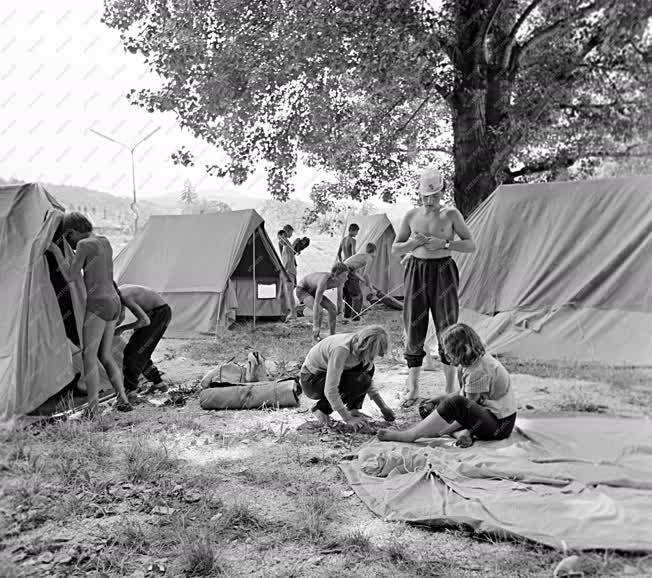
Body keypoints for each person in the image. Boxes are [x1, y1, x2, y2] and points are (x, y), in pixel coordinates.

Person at [392, 167, 476, 407]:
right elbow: (395, 249)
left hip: (443, 271)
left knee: (447, 326)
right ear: (419, 193)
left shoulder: (451, 215)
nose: (429, 200)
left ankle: (450, 388)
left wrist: (446, 243)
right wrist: (412, 243)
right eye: (425, 196)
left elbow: (470, 245)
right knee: (414, 324)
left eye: (435, 196)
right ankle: (413, 389)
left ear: (443, 193)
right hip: (416, 272)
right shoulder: (411, 215)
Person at [47, 212, 132, 415]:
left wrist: (55, 251)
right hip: (114, 301)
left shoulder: (84, 245)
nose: (71, 245)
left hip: (98, 304)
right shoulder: (104, 241)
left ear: (73, 232)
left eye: (69, 239)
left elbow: (70, 276)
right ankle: (123, 398)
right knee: (106, 355)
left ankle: (93, 410)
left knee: (89, 357)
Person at [378, 323, 517, 447]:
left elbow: (465, 407)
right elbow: (463, 392)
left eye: (451, 354)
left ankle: (411, 435)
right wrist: (440, 399)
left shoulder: (479, 370)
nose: (448, 358)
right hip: (482, 415)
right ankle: (463, 433)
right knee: (427, 408)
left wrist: (440, 432)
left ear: (465, 350)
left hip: (499, 426)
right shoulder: (469, 363)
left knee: (453, 405)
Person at [300, 325, 396, 431]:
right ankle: (321, 409)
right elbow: (331, 389)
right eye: (376, 352)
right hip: (312, 380)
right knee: (356, 380)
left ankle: (353, 409)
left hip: (324, 376)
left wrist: (383, 407)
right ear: (366, 347)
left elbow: (368, 383)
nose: (377, 356)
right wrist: (348, 419)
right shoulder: (341, 350)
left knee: (367, 372)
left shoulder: (360, 349)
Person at [115, 284, 172, 392]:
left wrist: (122, 329)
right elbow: (121, 317)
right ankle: (159, 384)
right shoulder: (118, 293)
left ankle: (130, 391)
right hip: (153, 314)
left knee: (133, 354)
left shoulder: (124, 296)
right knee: (140, 351)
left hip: (159, 315)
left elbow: (144, 321)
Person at [295, 263, 349, 343]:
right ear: (335, 275)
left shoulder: (340, 282)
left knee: (332, 308)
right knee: (319, 311)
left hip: (314, 290)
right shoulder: (323, 281)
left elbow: (339, 299)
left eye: (347, 275)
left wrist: (340, 313)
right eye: (344, 276)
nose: (346, 278)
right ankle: (315, 338)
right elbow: (316, 304)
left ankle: (332, 336)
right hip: (302, 289)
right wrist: (316, 325)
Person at [343, 242, 377, 322]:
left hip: (342, 270)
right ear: (375, 251)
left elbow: (354, 271)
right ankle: (356, 318)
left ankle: (347, 315)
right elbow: (366, 274)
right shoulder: (369, 258)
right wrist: (371, 288)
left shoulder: (361, 256)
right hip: (348, 271)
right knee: (358, 296)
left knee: (348, 295)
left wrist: (362, 279)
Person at [278, 229, 298, 320]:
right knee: (288, 293)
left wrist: (283, 271)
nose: (279, 241)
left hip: (289, 272)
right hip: (291, 271)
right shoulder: (288, 245)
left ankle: (293, 313)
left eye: (279, 238)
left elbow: (288, 261)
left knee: (289, 293)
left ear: (283, 236)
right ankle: (290, 312)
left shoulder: (286, 247)